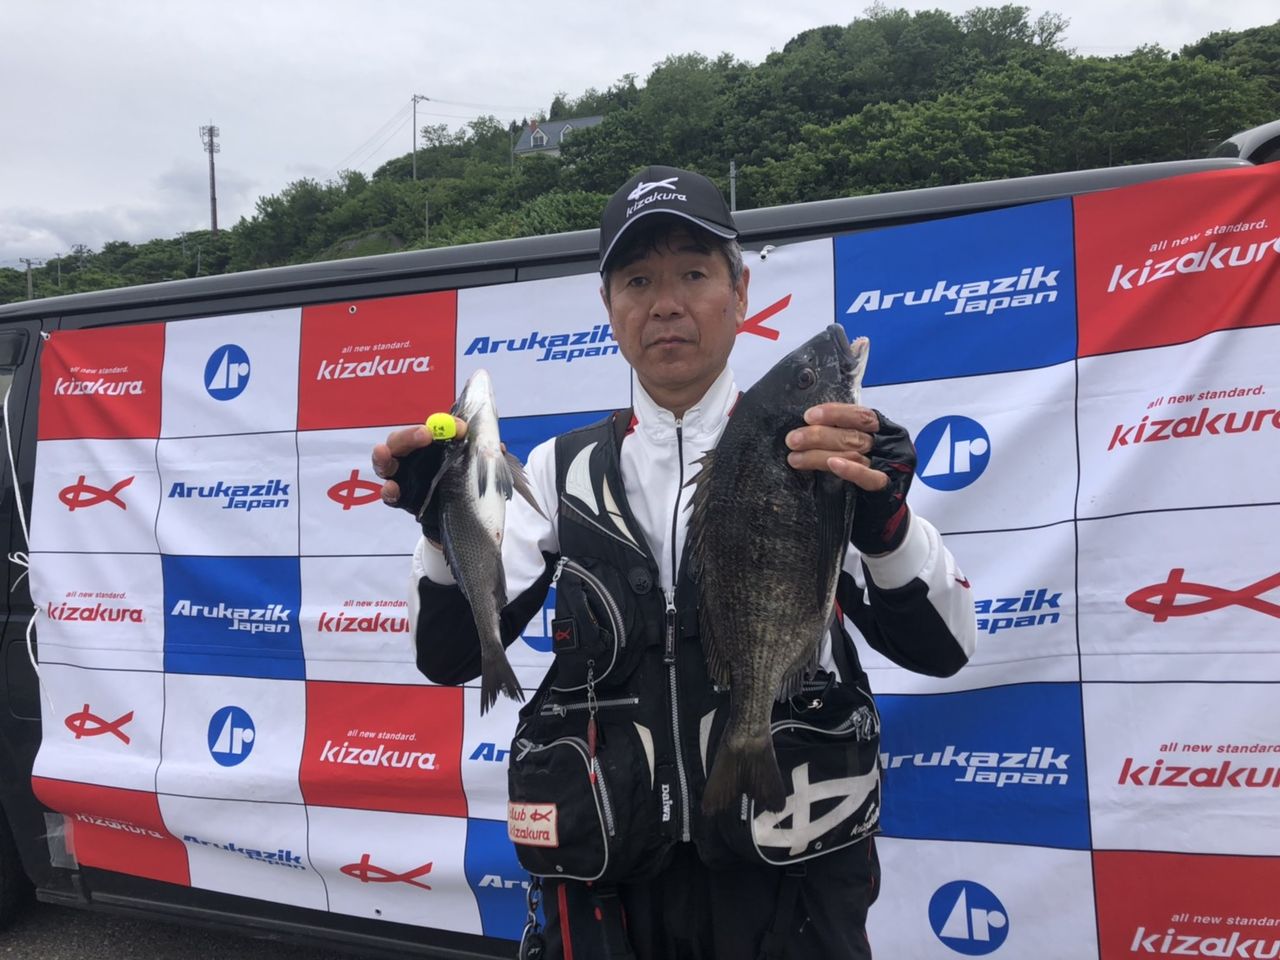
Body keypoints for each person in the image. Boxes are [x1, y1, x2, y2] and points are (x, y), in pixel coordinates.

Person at [372, 165, 976, 960]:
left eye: (693, 274)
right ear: (608, 306)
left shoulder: (822, 453)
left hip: (790, 890)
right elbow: (449, 655)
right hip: (611, 890)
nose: (665, 303)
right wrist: (443, 523)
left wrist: (883, 520)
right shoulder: (556, 472)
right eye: (638, 280)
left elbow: (943, 648)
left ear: (741, 291)